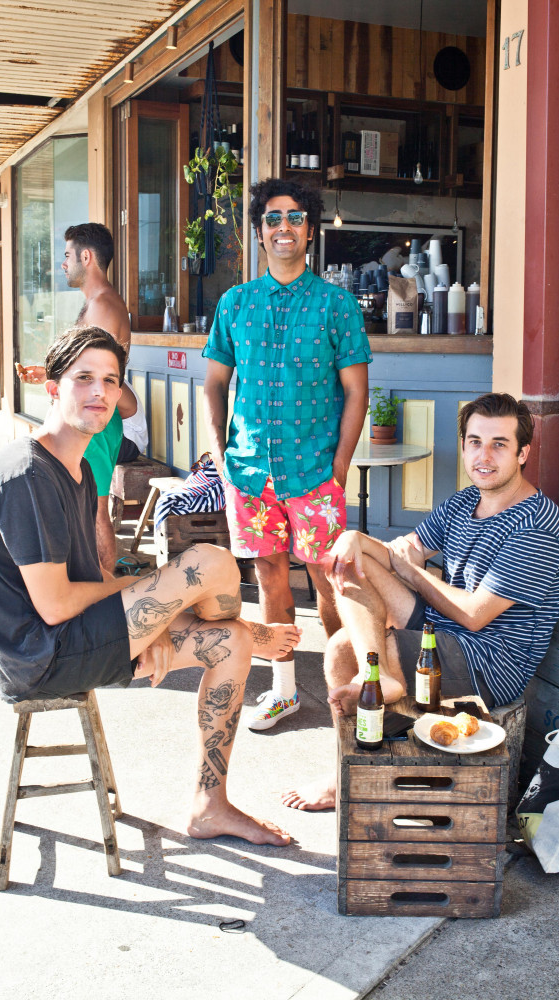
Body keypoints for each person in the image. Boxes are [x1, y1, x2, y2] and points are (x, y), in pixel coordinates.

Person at [0, 325, 300, 845]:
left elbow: (93, 580)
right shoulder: (26, 475)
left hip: (77, 637)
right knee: (210, 561)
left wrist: (155, 622)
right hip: (40, 655)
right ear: (52, 388)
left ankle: (209, 806)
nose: (100, 391)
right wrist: (156, 605)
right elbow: (54, 605)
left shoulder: (76, 470)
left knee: (228, 641)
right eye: (84, 379)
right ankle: (245, 628)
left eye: (111, 380)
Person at [281, 392, 559, 810]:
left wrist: (410, 569)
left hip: (488, 662)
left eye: (499, 444)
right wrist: (353, 540)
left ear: (523, 453)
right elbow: (404, 550)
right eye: (475, 442)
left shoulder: (535, 525)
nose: (483, 456)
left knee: (343, 647)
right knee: (350, 571)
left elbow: (474, 616)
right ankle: (372, 704)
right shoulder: (465, 501)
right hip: (443, 631)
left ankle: (346, 775)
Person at [203, 178, 371, 731]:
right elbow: (214, 385)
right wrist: (219, 451)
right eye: (274, 219)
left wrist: (340, 467)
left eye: (295, 218)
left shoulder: (336, 305)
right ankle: (283, 690)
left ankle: (339, 685)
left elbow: (356, 392)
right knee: (270, 578)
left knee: (328, 581)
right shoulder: (235, 304)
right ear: (259, 232)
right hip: (251, 473)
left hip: (315, 471)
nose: (284, 228)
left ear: (310, 230)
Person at [18, 223, 131, 573]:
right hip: (90, 417)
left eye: (67, 256)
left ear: (87, 256)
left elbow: (102, 374)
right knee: (85, 505)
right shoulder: (95, 304)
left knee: (96, 508)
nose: (63, 264)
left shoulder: (103, 306)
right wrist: (51, 374)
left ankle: (108, 594)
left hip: (96, 417)